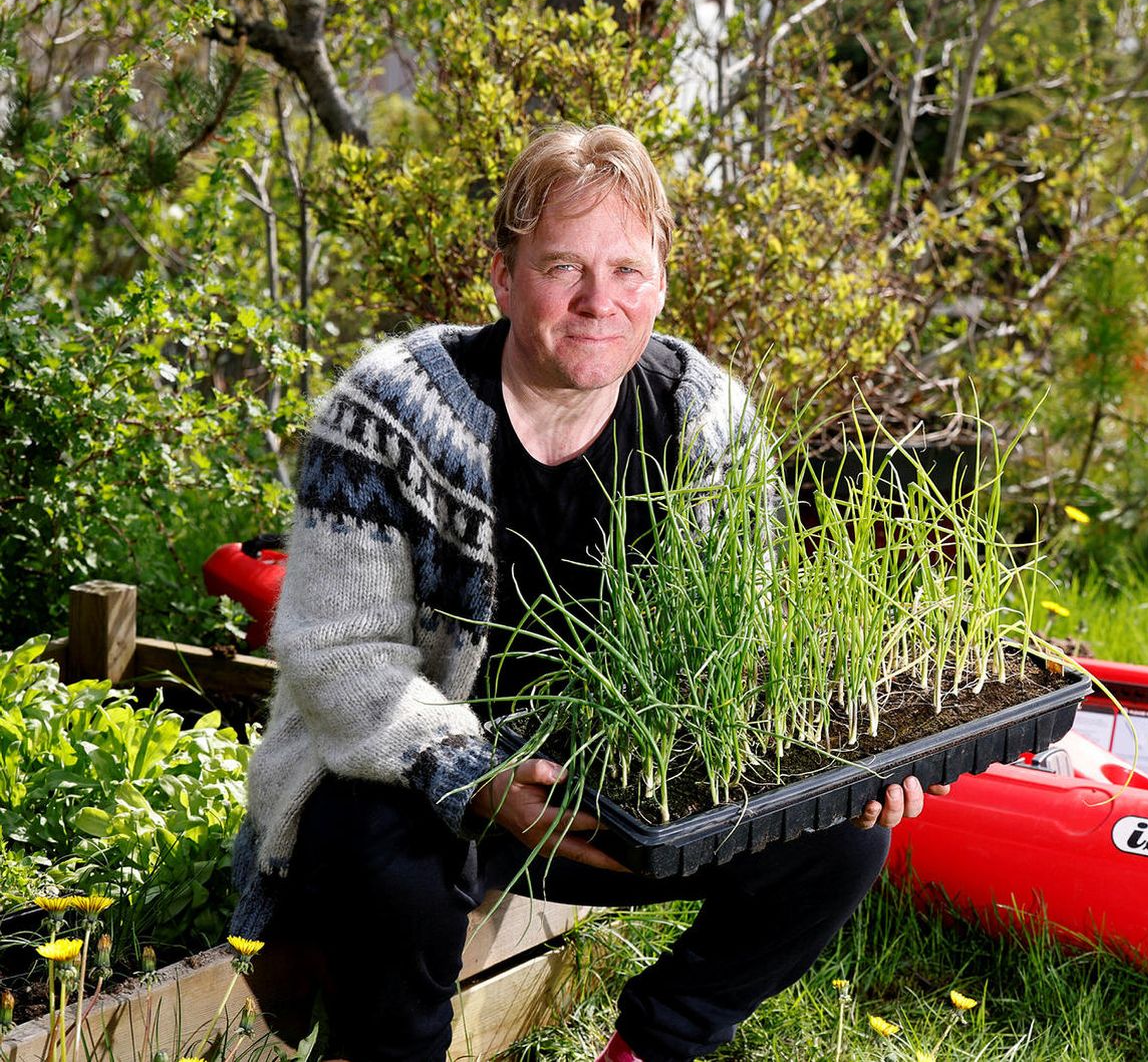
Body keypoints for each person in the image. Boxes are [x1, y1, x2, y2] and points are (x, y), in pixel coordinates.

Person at [229, 123, 942, 1062]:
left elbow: (757, 649)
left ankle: (649, 1045)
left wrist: (851, 761)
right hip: (416, 793)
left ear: (662, 283)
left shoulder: (705, 420)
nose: (599, 301)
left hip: (611, 807)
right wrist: (477, 779)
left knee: (841, 843)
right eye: (563, 265)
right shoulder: (390, 410)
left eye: (629, 271)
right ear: (502, 275)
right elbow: (338, 654)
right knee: (380, 855)